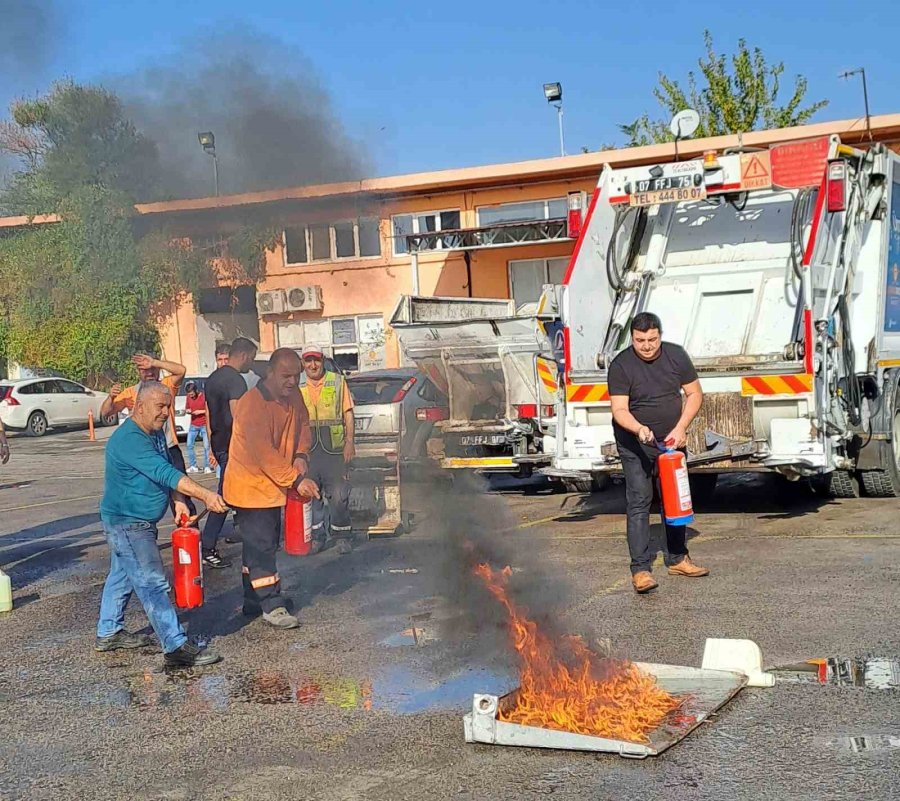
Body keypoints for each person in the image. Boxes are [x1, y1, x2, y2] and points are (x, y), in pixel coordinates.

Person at [96, 381, 228, 667]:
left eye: (168, 406)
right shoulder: (130, 439)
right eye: (160, 406)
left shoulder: (154, 432)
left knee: (122, 575)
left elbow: (168, 469)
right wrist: (206, 495)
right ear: (139, 406)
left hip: (136, 522)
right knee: (152, 582)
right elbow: (165, 471)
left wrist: (178, 501)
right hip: (127, 522)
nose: (166, 412)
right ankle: (175, 645)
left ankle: (108, 631)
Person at [608, 312, 708, 594]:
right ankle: (640, 570)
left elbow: (695, 394)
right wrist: (638, 428)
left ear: (660, 335)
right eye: (640, 340)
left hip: (671, 442)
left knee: (675, 500)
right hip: (635, 444)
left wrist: (681, 427)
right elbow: (619, 410)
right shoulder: (621, 365)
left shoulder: (676, 356)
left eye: (652, 339)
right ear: (632, 338)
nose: (647, 346)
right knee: (640, 500)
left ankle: (678, 558)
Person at [224, 348, 319, 629]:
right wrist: (297, 480)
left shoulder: (294, 396)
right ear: (270, 373)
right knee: (263, 545)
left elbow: (303, 426)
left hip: (273, 484)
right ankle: (271, 604)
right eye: (286, 376)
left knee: (257, 546)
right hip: (249, 486)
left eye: (296, 376)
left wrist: (302, 455)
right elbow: (263, 453)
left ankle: (253, 600)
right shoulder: (252, 404)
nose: (292, 381)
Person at [100, 353, 195, 517]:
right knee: (145, 495)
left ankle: (190, 537)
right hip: (145, 450)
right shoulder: (131, 392)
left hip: (168, 448)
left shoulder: (165, 387)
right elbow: (105, 413)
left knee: (182, 496)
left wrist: (155, 361)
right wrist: (111, 397)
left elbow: (181, 370)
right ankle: (143, 530)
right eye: (144, 370)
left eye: (153, 369)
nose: (149, 372)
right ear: (138, 371)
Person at [201, 337, 258, 568]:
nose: (251, 364)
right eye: (251, 358)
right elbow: (239, 417)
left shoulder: (213, 379)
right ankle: (206, 546)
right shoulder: (236, 380)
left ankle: (247, 534)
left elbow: (210, 414)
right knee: (225, 496)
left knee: (238, 492)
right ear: (243, 355)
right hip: (235, 446)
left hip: (219, 443)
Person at [299, 345, 356, 555]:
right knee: (312, 495)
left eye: (316, 360)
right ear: (303, 363)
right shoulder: (297, 385)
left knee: (339, 495)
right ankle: (317, 537)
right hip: (308, 450)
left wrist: (350, 442)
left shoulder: (338, 381)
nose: (313, 365)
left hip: (334, 449)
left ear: (322, 360)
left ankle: (342, 535)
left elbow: (348, 414)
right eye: (308, 361)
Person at [184, 381, 212, 474]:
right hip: (193, 424)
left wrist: (200, 412)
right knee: (189, 445)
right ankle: (193, 465)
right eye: (189, 395)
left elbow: (209, 409)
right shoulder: (188, 398)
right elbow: (187, 407)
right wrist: (188, 410)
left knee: (206, 446)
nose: (191, 396)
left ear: (196, 391)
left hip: (204, 424)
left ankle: (207, 466)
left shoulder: (203, 396)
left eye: (192, 394)